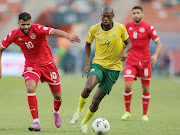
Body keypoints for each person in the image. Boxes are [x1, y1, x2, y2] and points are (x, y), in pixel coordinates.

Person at [0, 12, 80, 131]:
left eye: (27, 24)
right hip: (31, 65)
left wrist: (68, 36)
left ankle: (55, 111)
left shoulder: (37, 28)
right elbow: (0, 48)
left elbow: (54, 31)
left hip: (48, 65)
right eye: (23, 25)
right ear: (18, 24)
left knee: (57, 96)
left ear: (31, 22)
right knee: (30, 87)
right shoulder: (14, 34)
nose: (26, 27)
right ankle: (36, 122)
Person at [70, 5, 132, 133]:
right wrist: (87, 64)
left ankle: (85, 122)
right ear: (101, 16)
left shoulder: (120, 28)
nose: (105, 18)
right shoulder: (94, 29)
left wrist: (125, 51)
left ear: (112, 16)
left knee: (96, 100)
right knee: (88, 87)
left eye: (108, 16)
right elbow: (87, 46)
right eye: (103, 15)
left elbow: (129, 43)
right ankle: (79, 111)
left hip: (114, 69)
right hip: (98, 64)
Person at [121, 6, 163, 121]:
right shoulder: (127, 26)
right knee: (127, 85)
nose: (136, 15)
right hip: (131, 60)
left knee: (145, 88)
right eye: (134, 13)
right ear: (132, 14)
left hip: (145, 62)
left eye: (138, 12)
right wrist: (122, 52)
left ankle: (144, 114)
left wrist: (155, 55)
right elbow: (123, 43)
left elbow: (159, 44)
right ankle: (127, 111)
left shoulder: (148, 27)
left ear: (142, 14)